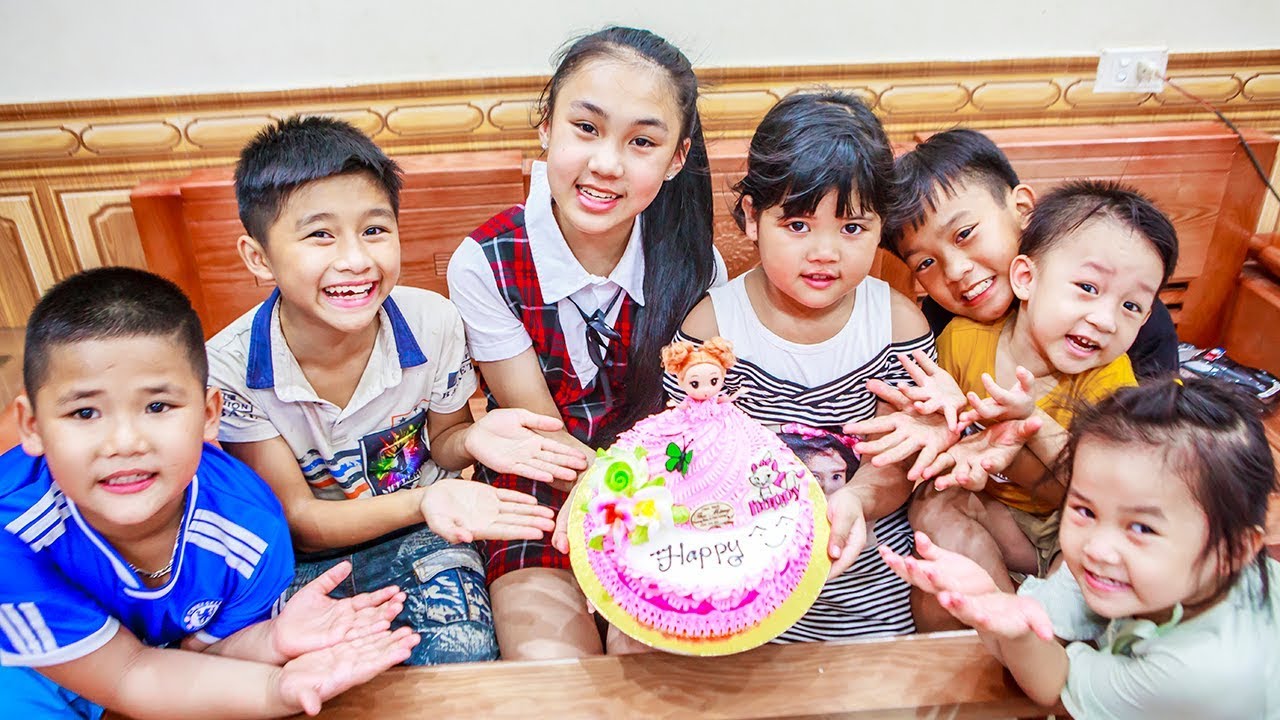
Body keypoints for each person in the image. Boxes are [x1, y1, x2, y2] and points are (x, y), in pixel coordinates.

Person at [207, 116, 585, 665]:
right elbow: (301, 522)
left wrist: (475, 439)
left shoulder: (433, 323)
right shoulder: (231, 366)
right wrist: (426, 499)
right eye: (320, 235)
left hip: (428, 534)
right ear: (258, 257)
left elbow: (445, 441)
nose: (356, 259)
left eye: (375, 230)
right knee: (317, 672)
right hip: (310, 558)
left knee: (465, 651)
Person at [0, 267, 417, 719]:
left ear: (208, 415)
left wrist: (271, 643)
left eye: (157, 406)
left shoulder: (252, 529)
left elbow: (192, 657)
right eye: (84, 413)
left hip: (149, 673)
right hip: (24, 668)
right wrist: (270, 687)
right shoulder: (13, 532)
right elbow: (125, 675)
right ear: (32, 426)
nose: (124, 443)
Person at [446, 26, 725, 659]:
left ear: (677, 158)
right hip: (537, 490)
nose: (607, 164)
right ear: (546, 125)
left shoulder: (696, 265)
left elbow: (692, 415)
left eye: (643, 142)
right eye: (587, 128)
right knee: (554, 677)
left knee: (655, 661)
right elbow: (541, 431)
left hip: (658, 490)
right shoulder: (485, 261)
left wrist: (650, 515)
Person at [670, 90, 926, 642]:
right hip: (746, 578)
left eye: (852, 227)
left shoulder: (896, 325)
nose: (825, 252)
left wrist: (854, 498)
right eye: (799, 225)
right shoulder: (715, 326)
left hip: (868, 581)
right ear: (751, 217)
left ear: (883, 226)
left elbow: (900, 461)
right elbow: (682, 453)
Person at [882, 377, 1279, 718]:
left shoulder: (1201, 673)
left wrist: (1015, 625)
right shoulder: (1125, 558)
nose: (1097, 548)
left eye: (1141, 527)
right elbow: (1054, 666)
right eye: (1084, 510)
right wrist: (998, 608)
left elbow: (1059, 685)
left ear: (1237, 549)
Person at [855, 181, 1179, 598]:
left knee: (1112, 546)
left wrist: (1031, 420)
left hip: (1072, 526)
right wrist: (941, 420)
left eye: (1131, 306)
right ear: (1026, 277)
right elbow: (939, 434)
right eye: (1088, 288)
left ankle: (1044, 623)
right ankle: (1002, 605)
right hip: (999, 520)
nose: (1105, 320)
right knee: (933, 507)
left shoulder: (1112, 380)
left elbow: (1101, 490)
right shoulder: (962, 338)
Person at [884, 128, 1178, 378]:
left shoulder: (1121, 313)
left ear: (1023, 209)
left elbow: (1160, 431)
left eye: (964, 234)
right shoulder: (940, 324)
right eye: (925, 263)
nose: (954, 270)